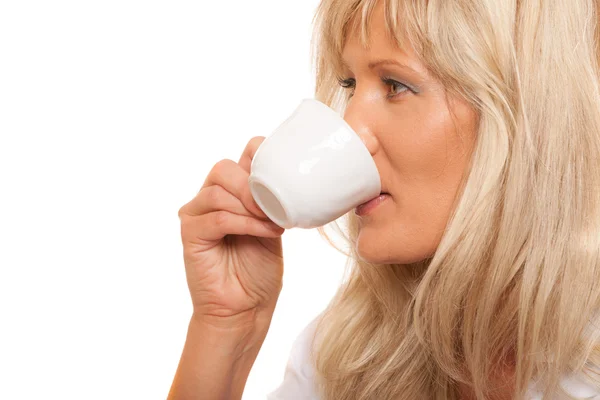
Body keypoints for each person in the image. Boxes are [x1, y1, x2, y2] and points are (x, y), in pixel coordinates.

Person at [167, 0, 600, 398]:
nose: (350, 126)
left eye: (395, 85)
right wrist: (227, 327)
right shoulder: (351, 353)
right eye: (350, 83)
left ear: (527, 116)